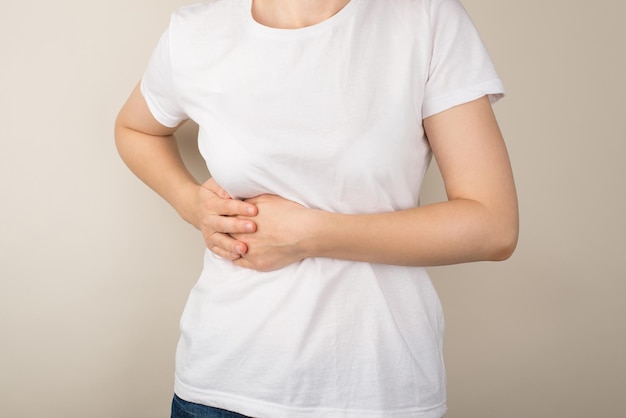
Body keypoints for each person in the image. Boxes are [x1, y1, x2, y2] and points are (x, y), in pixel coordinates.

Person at [114, 0, 518, 416]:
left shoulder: (425, 17)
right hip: (224, 387)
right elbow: (134, 129)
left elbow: (492, 225)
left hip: (377, 388)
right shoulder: (197, 31)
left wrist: (307, 235)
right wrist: (191, 202)